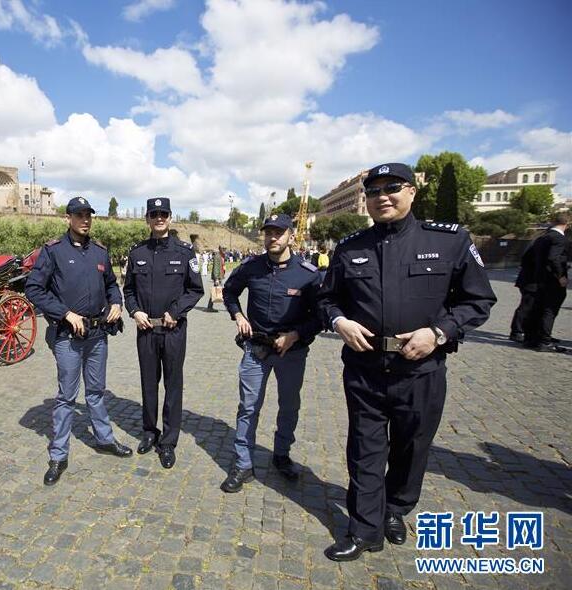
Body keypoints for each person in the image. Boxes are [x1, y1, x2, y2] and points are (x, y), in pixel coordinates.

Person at [317, 162, 496, 561]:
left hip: (421, 371)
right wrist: (338, 321)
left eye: (392, 187)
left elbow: (478, 300)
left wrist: (439, 332)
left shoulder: (449, 241)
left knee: (411, 447)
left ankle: (395, 509)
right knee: (364, 448)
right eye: (374, 190)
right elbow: (326, 299)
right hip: (364, 368)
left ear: (413, 191)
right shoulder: (350, 247)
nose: (382, 196)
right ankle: (364, 530)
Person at [25, 197, 133, 486]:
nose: (85, 220)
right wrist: (64, 312)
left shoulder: (99, 252)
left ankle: (104, 439)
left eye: (88, 215)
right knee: (67, 396)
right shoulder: (53, 251)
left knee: (96, 391)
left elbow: (112, 284)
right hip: (67, 336)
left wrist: (117, 302)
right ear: (68, 217)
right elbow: (33, 289)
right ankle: (59, 454)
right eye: (79, 215)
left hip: (97, 335)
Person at [219, 214, 322, 493]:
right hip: (256, 349)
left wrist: (296, 334)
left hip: (292, 351)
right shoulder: (251, 267)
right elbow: (229, 292)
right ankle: (243, 463)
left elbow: (320, 316)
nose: (272, 238)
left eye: (278, 232)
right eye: (268, 233)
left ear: (290, 235)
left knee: (289, 406)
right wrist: (238, 315)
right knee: (248, 406)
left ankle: (281, 454)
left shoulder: (308, 274)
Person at [123, 197, 204, 469]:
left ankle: (168, 441)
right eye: (154, 214)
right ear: (147, 218)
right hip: (146, 330)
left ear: (170, 217)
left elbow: (195, 289)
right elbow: (129, 291)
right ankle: (149, 431)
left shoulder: (184, 252)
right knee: (148, 383)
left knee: (172, 385)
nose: (159, 218)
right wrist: (134, 311)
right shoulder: (137, 253)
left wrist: (176, 312)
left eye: (163, 213)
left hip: (173, 331)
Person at [525, 212, 569, 351]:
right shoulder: (558, 238)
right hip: (552, 280)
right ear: (566, 224)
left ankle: (533, 337)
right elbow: (553, 257)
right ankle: (544, 339)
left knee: (538, 308)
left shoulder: (543, 237)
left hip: (540, 278)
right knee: (550, 309)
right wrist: (560, 275)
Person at [509, 239, 538, 343]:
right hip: (530, 281)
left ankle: (527, 330)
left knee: (530, 306)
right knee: (526, 306)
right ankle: (517, 330)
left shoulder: (538, 243)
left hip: (531, 281)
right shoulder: (539, 244)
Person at [206, 245, 226, 311]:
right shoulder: (217, 256)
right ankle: (228, 307)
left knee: (217, 291)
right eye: (223, 248)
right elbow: (216, 268)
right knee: (221, 291)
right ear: (220, 249)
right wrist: (216, 278)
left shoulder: (220, 256)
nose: (224, 250)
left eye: (225, 249)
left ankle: (209, 306)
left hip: (219, 277)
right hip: (218, 277)